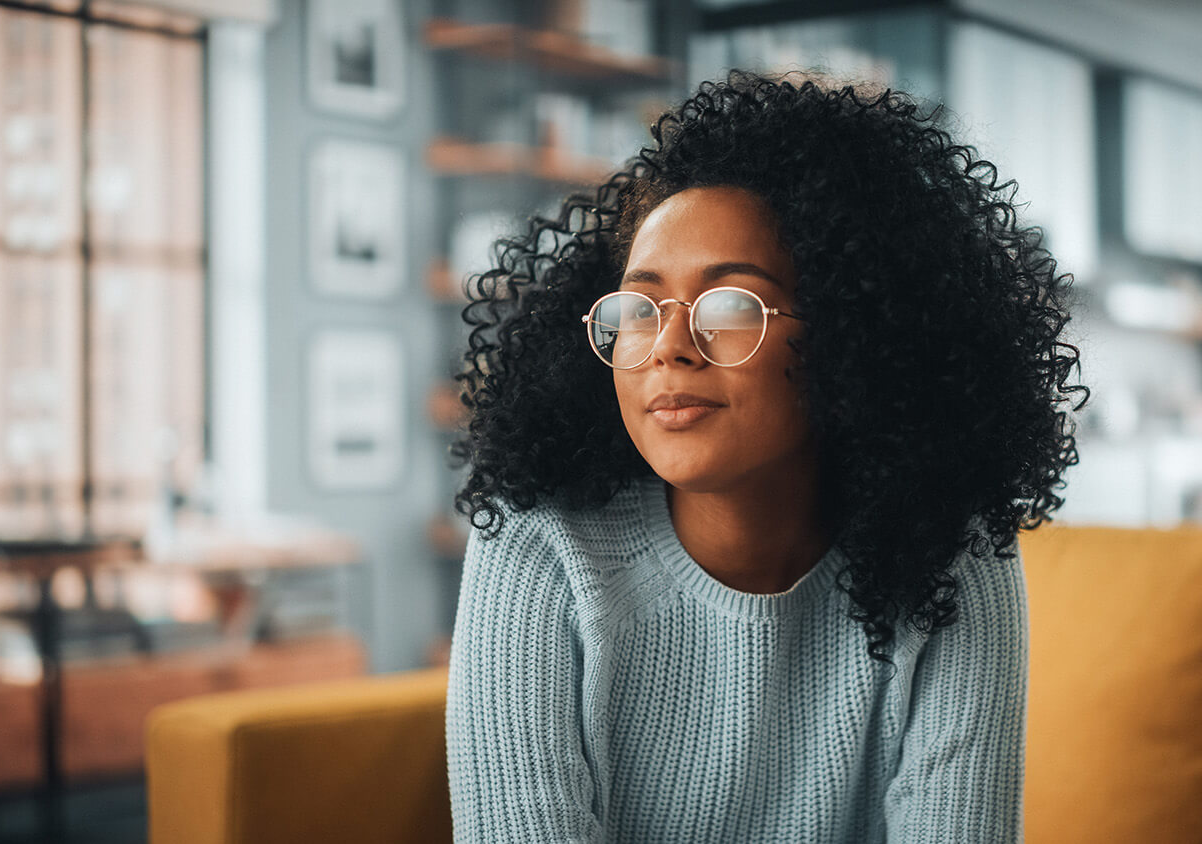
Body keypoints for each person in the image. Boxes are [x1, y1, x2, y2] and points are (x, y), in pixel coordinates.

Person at [444, 68, 1088, 843]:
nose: (669, 347)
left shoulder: (952, 555)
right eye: (640, 309)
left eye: (729, 306)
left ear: (854, 336)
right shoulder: (539, 539)